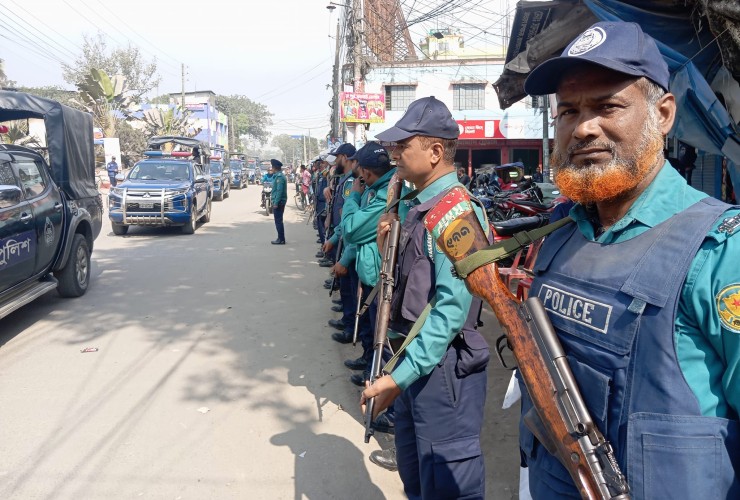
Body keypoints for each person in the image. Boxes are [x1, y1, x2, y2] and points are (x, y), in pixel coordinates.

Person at [519, 21, 740, 499]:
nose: (582, 128)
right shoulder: (560, 233)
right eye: (569, 110)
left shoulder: (722, 252)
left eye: (607, 106)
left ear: (662, 114)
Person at [361, 96, 490, 499]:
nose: (394, 154)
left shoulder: (455, 213)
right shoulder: (415, 205)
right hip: (414, 362)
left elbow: (452, 310)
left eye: (403, 146)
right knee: (416, 478)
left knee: (446, 484)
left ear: (435, 152)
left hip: (444, 369)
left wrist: (396, 378)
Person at [269, 159, 287, 244]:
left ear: (275, 167)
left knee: (278, 221)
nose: (271, 169)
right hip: (279, 201)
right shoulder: (278, 176)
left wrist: (276, 203)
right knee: (278, 221)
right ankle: (280, 238)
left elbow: (279, 191)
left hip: (279, 202)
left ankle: (281, 239)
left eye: (272, 167)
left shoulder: (279, 177)